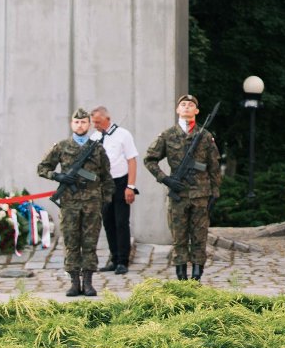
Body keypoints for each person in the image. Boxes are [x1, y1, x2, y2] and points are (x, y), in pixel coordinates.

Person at [37, 108, 112, 297]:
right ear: (72, 124)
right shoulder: (62, 147)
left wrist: (106, 200)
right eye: (77, 122)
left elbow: (106, 176)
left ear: (89, 124)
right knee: (71, 242)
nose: (80, 125)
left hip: (92, 203)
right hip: (69, 203)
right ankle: (73, 282)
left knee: (89, 243)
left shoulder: (97, 148)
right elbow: (42, 167)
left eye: (84, 122)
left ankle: (88, 282)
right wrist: (58, 175)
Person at [146, 94, 221, 281]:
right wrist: (165, 179)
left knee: (199, 238)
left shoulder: (205, 136)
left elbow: (214, 166)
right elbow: (150, 159)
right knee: (179, 238)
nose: (186, 107)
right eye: (183, 104)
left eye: (191, 105)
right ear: (177, 110)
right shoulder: (168, 135)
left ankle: (196, 277)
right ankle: (181, 277)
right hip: (178, 195)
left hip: (200, 195)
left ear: (196, 111)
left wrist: (215, 192)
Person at [92, 106, 140, 274]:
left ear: (107, 118)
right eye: (93, 122)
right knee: (108, 222)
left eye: (97, 122)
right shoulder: (95, 137)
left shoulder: (123, 135)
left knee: (121, 222)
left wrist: (130, 186)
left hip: (120, 182)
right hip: (103, 185)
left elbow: (132, 161)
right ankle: (114, 257)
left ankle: (123, 260)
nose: (95, 125)